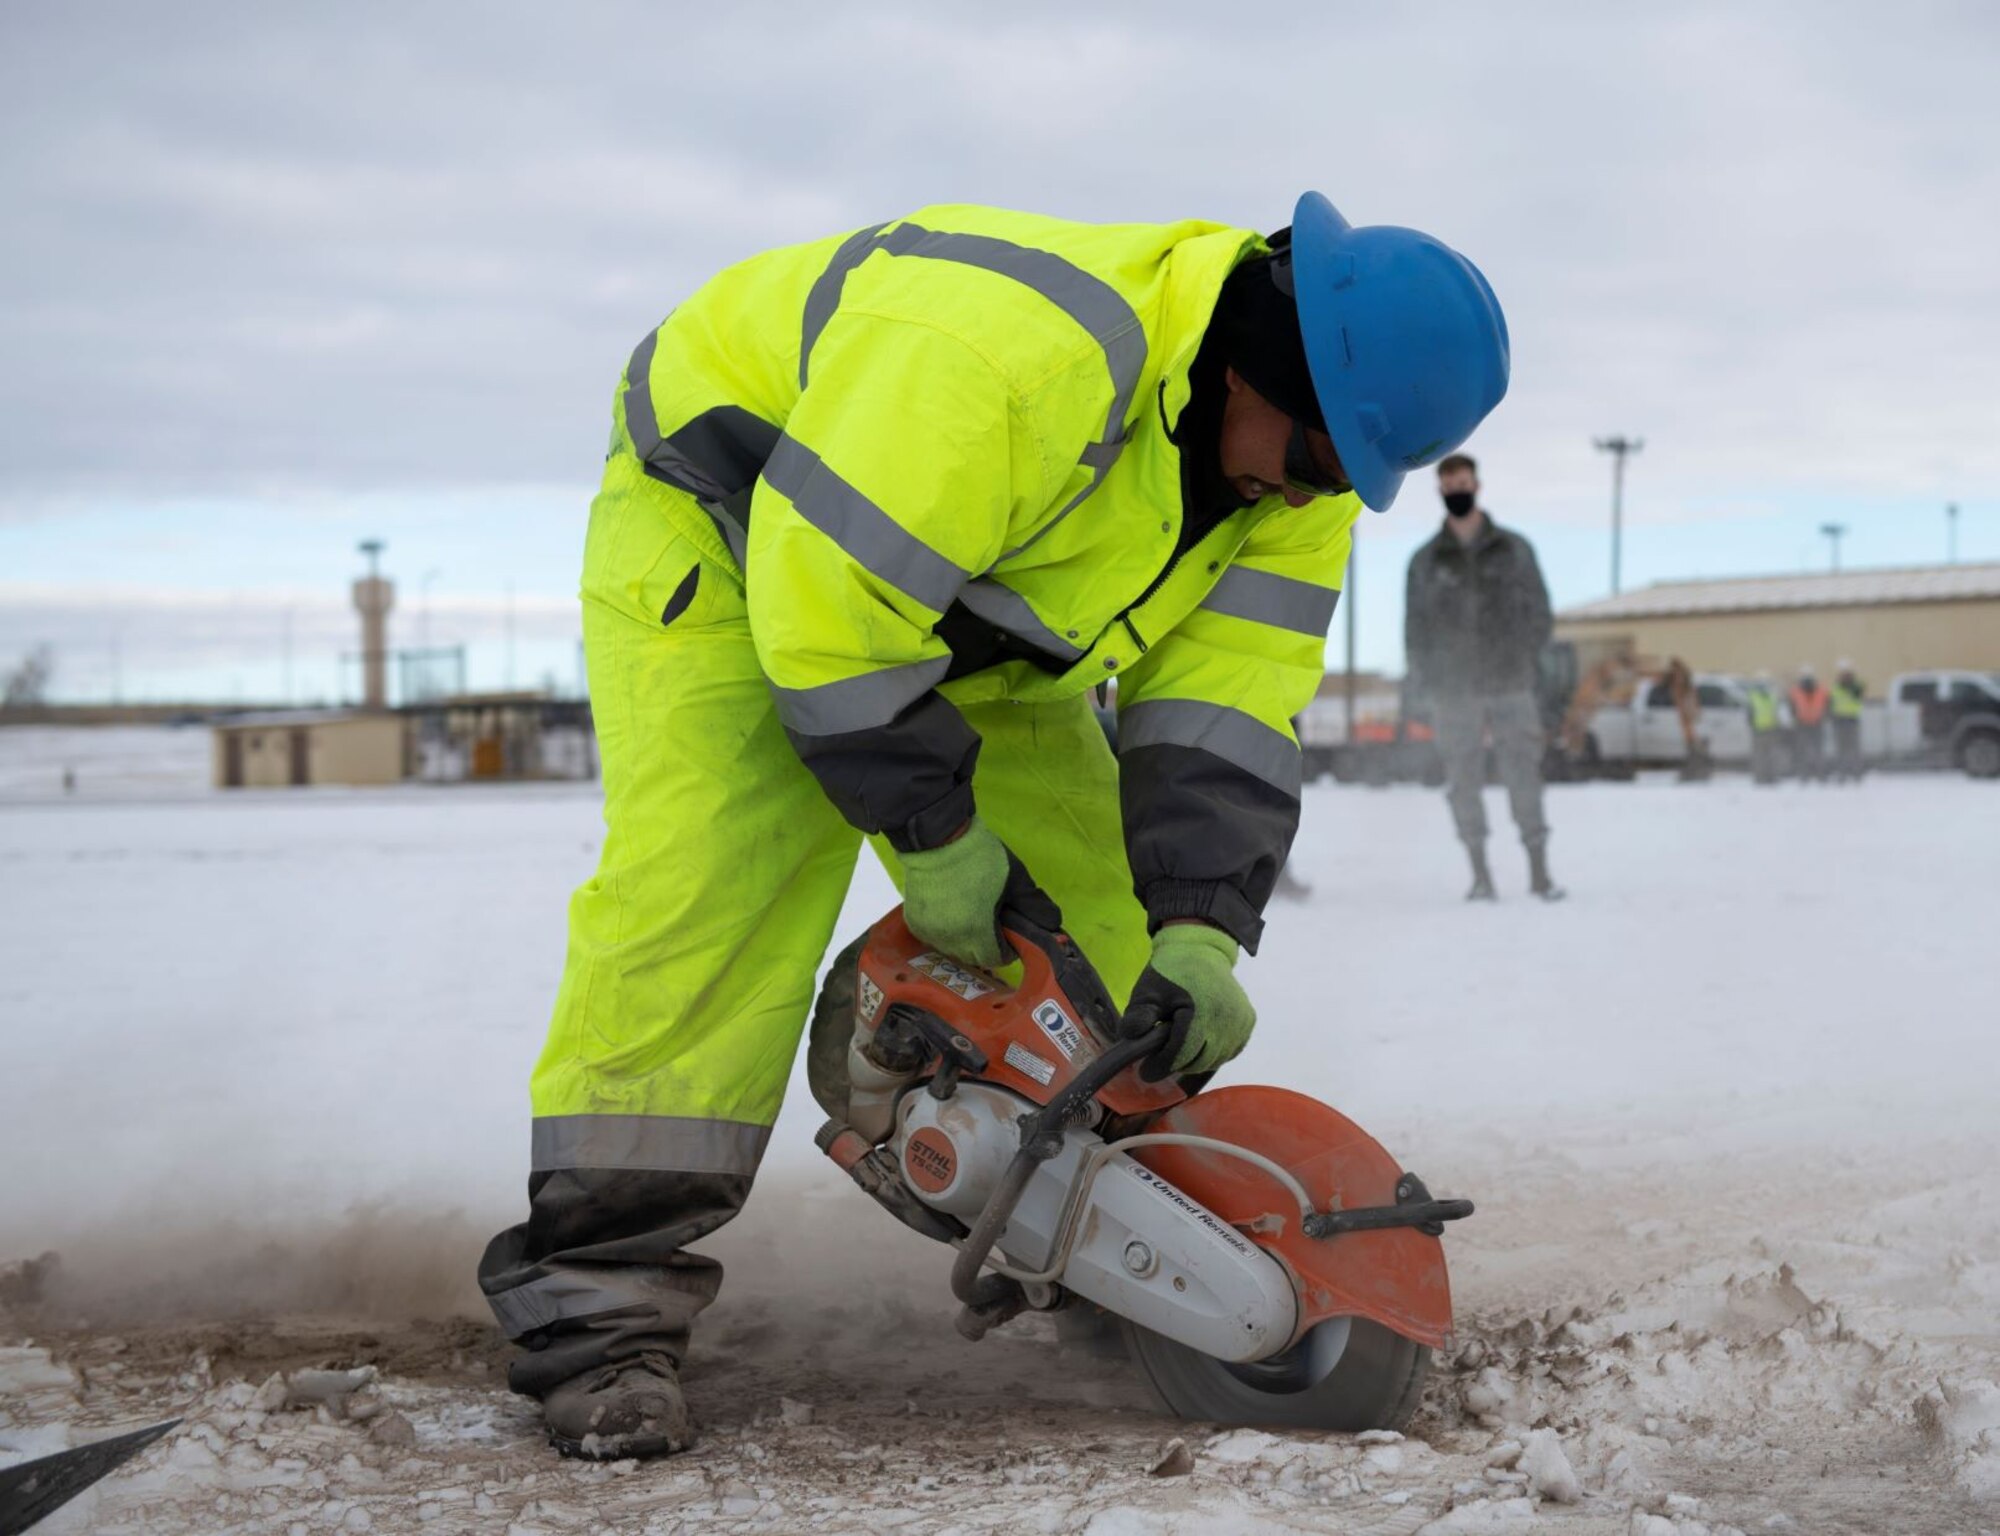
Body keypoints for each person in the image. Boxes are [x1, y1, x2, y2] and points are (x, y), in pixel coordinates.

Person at [476, 196, 1510, 1459]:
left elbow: (1226, 702)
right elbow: (831, 614)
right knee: (720, 895)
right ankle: (596, 1306)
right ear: (1253, 362)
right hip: (741, 530)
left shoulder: (1300, 480)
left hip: (981, 610)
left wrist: (1197, 933)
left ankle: (1107, 1243)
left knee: (1107, 942)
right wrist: (934, 836)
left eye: (1344, 477)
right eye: (1308, 459)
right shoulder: (1010, 362)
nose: (1306, 491)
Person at [1403, 455, 1559, 901]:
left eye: (1464, 482)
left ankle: (1539, 872)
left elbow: (1540, 615)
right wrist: (1429, 680)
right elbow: (1415, 631)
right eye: (1449, 483)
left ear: (1477, 485)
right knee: (1463, 782)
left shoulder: (1514, 550)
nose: (1457, 490)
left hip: (1510, 683)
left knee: (1523, 776)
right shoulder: (1426, 561)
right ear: (1440, 489)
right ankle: (1480, 875)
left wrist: (1522, 660)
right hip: (1454, 691)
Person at [1789, 664, 1831, 783]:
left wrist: (1824, 717)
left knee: (1818, 751)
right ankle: (1805, 775)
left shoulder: (1822, 690)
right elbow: (1792, 707)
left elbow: (1827, 705)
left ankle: (1820, 775)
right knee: (1803, 751)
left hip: (1816, 723)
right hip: (1802, 724)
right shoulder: (1795, 691)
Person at [1747, 670, 1788, 785]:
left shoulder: (1773, 697)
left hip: (1771, 729)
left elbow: (1778, 712)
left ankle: (1771, 777)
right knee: (1760, 756)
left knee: (1772, 755)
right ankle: (1760, 777)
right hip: (1759, 730)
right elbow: (1749, 714)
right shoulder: (1753, 696)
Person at [1830, 660, 1866, 781]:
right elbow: (1832, 702)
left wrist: (1849, 684)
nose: (1844, 676)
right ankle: (1842, 773)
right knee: (1841, 750)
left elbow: (1858, 694)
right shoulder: (1836, 687)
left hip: (1852, 719)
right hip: (1839, 720)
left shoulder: (1856, 686)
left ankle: (1856, 774)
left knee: (1854, 749)